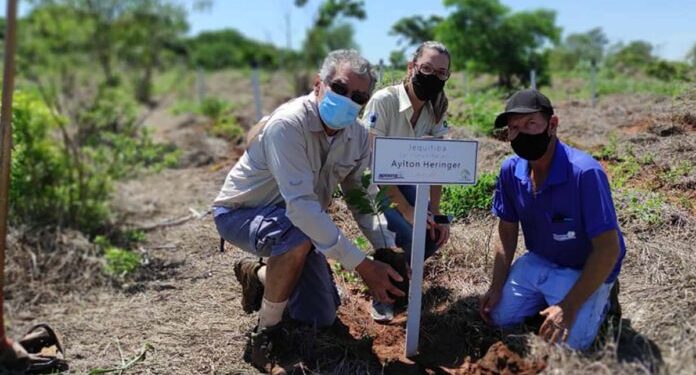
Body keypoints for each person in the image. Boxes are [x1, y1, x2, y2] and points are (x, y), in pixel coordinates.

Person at [212, 50, 405, 374]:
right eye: (339, 88)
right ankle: (265, 336)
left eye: (358, 96)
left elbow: (358, 194)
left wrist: (383, 247)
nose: (347, 99)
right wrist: (362, 266)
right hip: (241, 213)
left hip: (295, 226)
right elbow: (301, 209)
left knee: (320, 315)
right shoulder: (288, 125)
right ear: (319, 84)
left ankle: (258, 275)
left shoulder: (356, 137)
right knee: (298, 231)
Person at [479, 89, 626, 350]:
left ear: (553, 124)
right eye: (514, 128)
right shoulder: (511, 171)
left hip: (585, 269)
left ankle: (604, 300)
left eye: (530, 124)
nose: (521, 133)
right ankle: (548, 299)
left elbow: (608, 248)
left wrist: (568, 308)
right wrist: (496, 284)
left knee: (572, 344)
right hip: (540, 259)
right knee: (496, 317)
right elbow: (508, 231)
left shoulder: (584, 173)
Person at [361, 41, 452, 322]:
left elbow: (436, 165)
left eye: (441, 73)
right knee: (408, 230)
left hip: (407, 183)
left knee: (435, 230)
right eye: (426, 68)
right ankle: (385, 294)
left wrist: (435, 212)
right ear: (411, 67)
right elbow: (372, 166)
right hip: (370, 187)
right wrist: (408, 211)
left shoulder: (435, 110)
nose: (432, 77)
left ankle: (399, 274)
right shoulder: (384, 101)